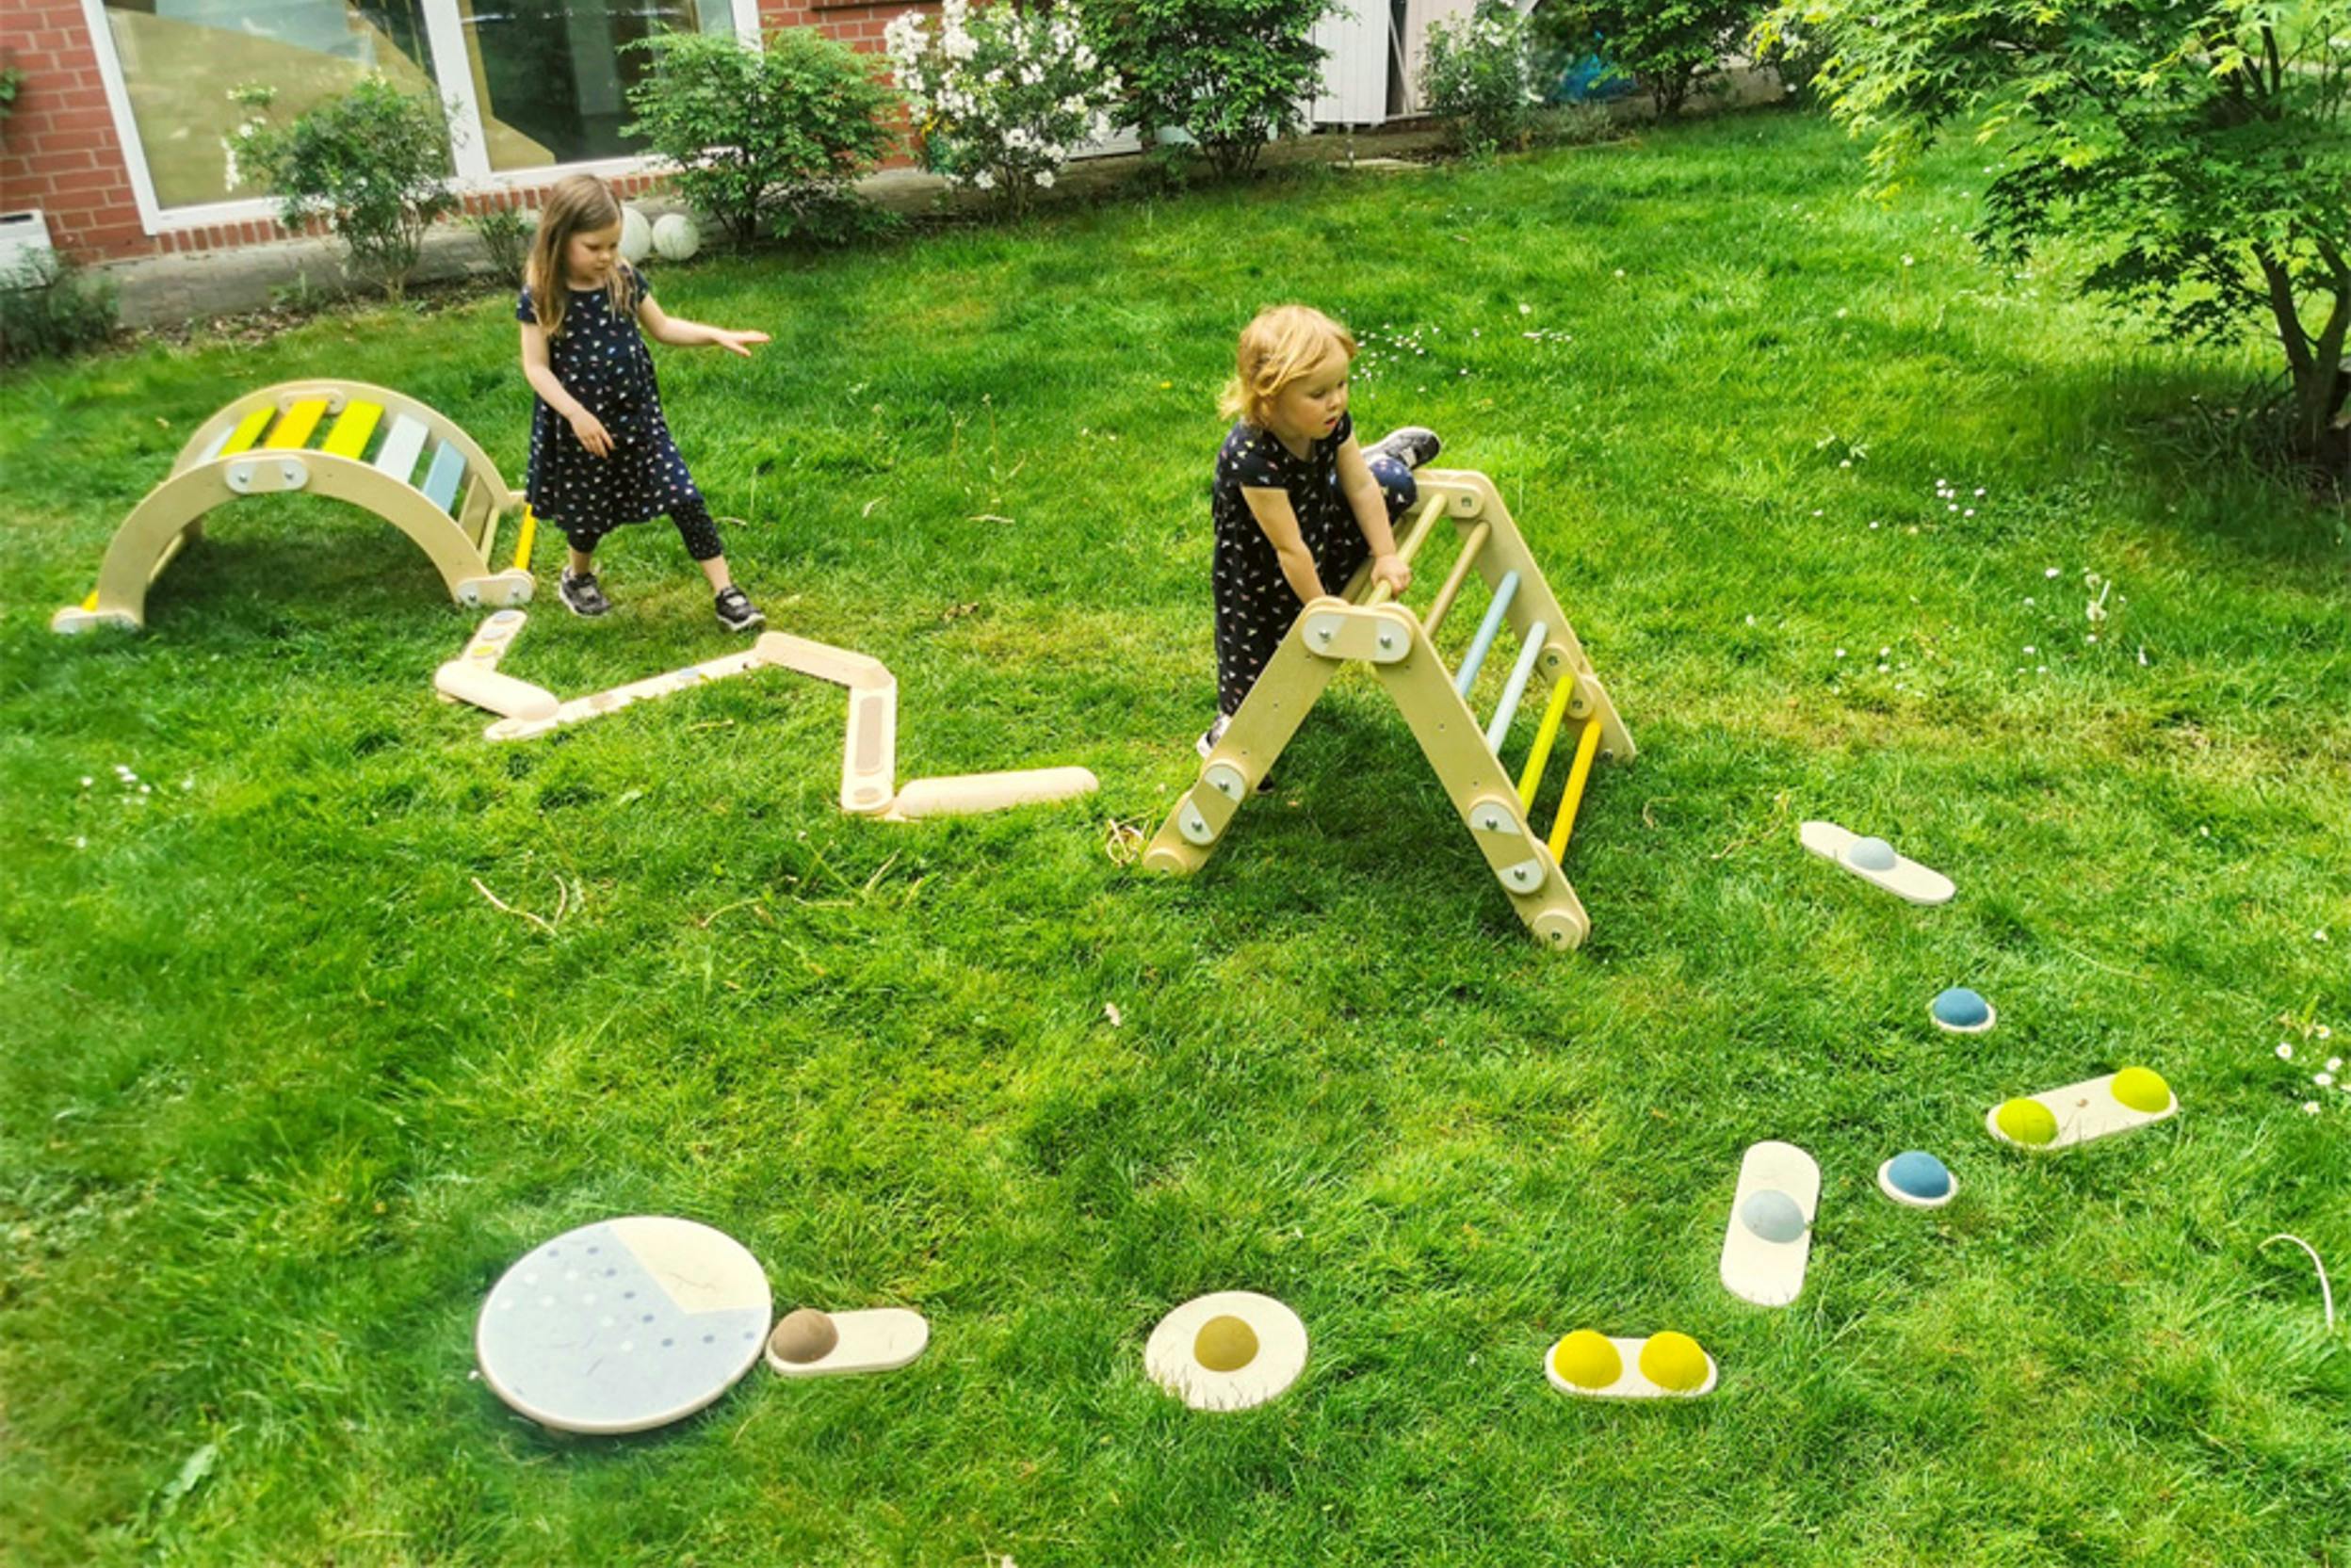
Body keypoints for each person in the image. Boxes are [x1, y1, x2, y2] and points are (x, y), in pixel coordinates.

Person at [517, 174, 770, 631]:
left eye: (613, 245)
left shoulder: (623, 279)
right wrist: (575, 414)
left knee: (685, 498)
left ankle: (725, 592)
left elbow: (664, 327)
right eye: (594, 247)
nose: (606, 257)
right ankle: (578, 577)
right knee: (588, 513)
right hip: (583, 428)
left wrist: (715, 334)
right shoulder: (542, 295)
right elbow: (536, 368)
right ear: (560, 239)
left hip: (639, 418)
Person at [1203, 303, 1442, 756]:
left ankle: (1384, 459)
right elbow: (1288, 548)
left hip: (1317, 517)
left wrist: (1387, 554)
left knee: (1389, 486)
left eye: (1341, 384)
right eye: (1318, 393)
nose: (1336, 400)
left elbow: (1360, 487)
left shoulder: (1330, 423)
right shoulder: (1251, 456)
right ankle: (1229, 730)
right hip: (1260, 563)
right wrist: (1321, 609)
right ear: (1269, 396)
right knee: (1261, 647)